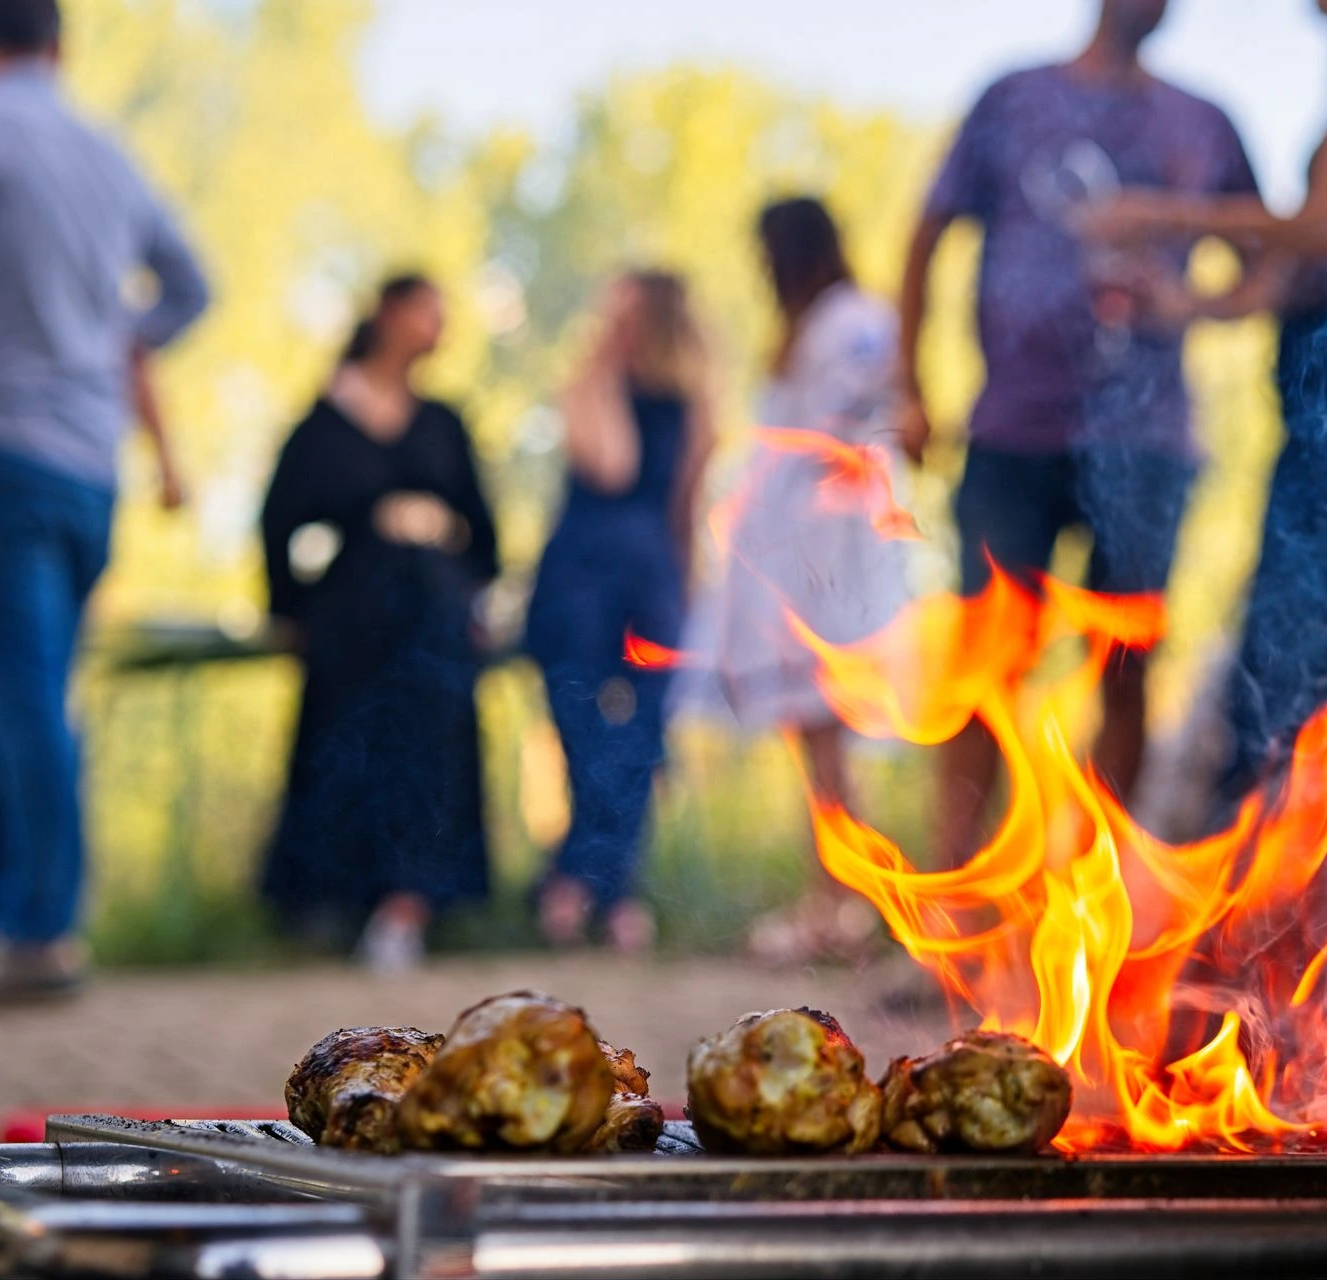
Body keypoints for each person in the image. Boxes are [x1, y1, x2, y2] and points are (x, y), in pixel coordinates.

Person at [0, 0, 210, 1006]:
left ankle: (33, 927)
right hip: (88, 467)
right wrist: (109, 346)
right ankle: (16, 911)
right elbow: (193, 285)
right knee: (38, 694)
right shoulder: (109, 152)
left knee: (9, 697)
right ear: (60, 46)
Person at [898, 0, 1260, 862]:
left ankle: (1093, 904)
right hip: (1012, 434)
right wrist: (909, 386)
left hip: (1147, 446)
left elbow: (1269, 260)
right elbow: (927, 233)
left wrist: (1191, 295)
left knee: (1126, 667)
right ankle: (956, 908)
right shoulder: (1012, 99)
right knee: (985, 667)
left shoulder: (1203, 122)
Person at [1084, 0, 1327, 813]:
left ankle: (1291, 888)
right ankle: (1268, 889)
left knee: (1308, 662)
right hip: (1313, 420)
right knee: (1280, 656)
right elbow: (1294, 276)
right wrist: (1186, 304)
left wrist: (1157, 212)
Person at [261, 274, 499, 973]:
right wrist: (291, 610)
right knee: (349, 743)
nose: (439, 328)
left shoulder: (444, 421)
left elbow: (485, 528)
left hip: (434, 615)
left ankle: (412, 902)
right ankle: (332, 902)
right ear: (390, 313)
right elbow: (278, 521)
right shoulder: (324, 419)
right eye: (429, 311)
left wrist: (468, 592)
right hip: (353, 621)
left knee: (432, 752)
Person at [703, 197, 906, 964]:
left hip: (829, 556)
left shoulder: (853, 320)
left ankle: (846, 903)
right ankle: (834, 894)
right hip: (791, 554)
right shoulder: (807, 329)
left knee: (829, 740)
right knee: (814, 745)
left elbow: (853, 429)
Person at [527, 273, 714, 952]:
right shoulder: (587, 384)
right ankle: (602, 890)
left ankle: (585, 885)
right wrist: (602, 370)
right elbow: (612, 464)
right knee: (582, 727)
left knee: (640, 736)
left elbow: (685, 507)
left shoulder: (693, 401)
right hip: (577, 576)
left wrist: (686, 590)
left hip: (650, 582)